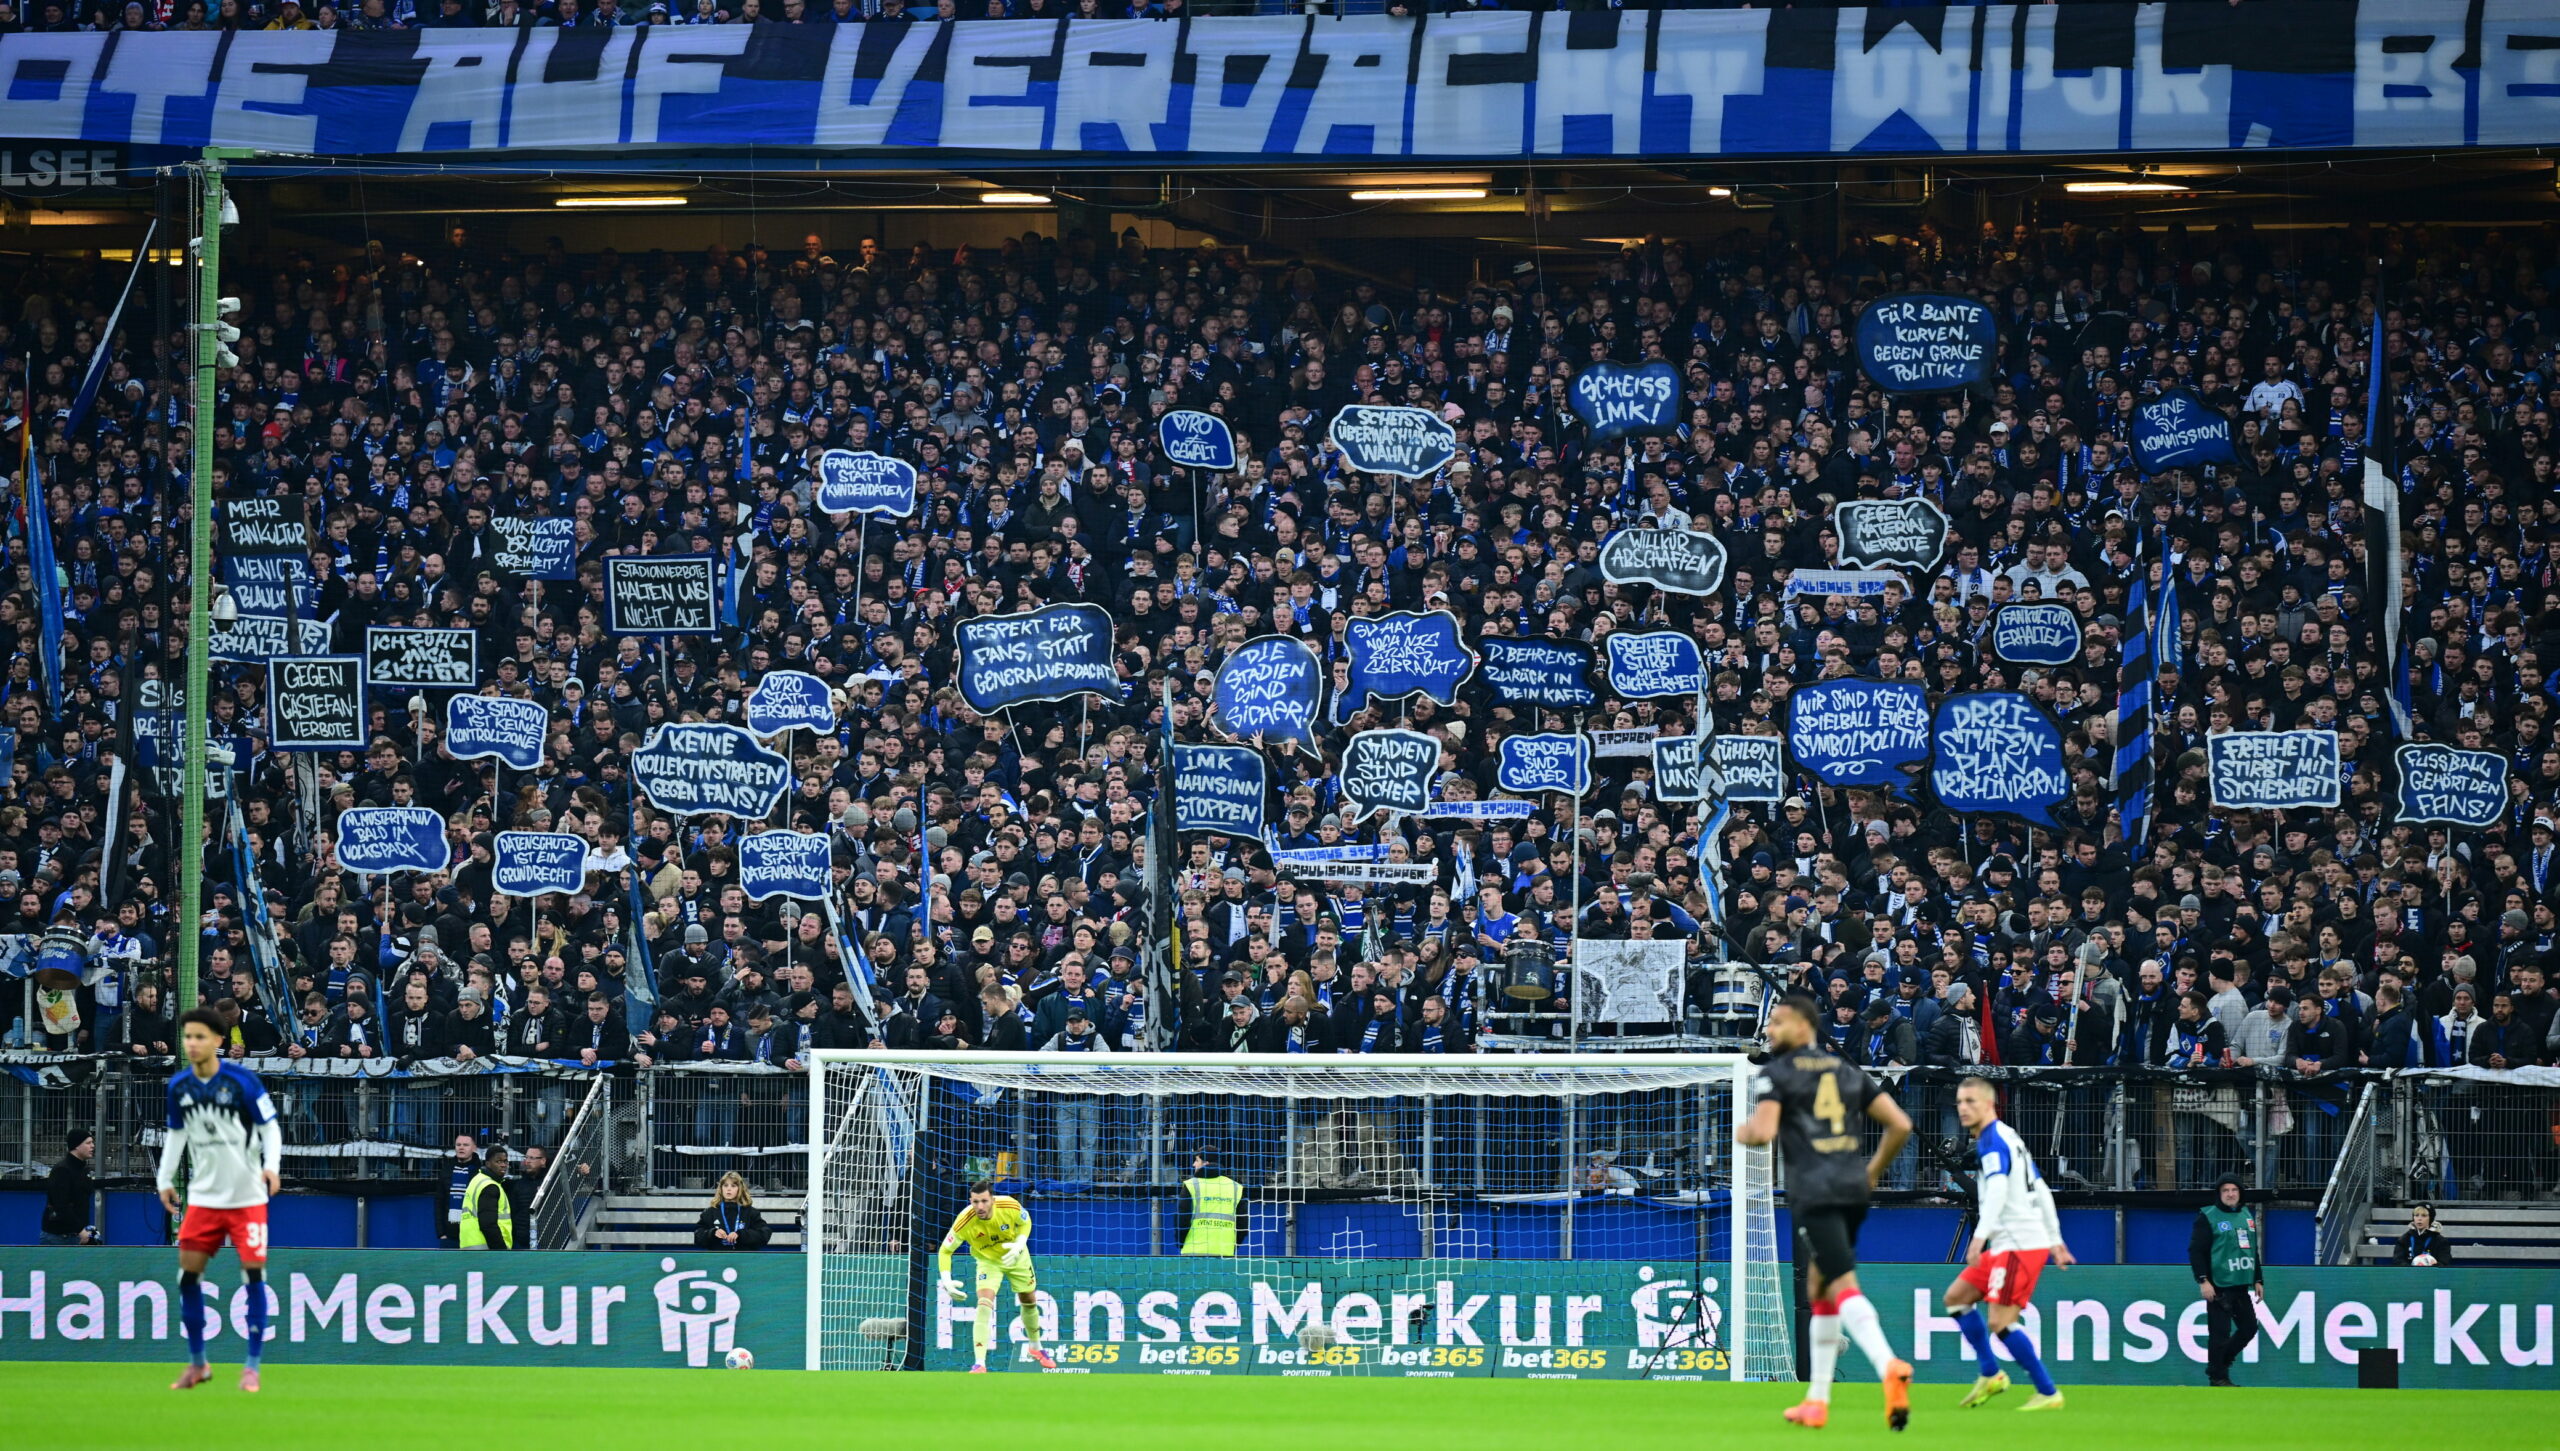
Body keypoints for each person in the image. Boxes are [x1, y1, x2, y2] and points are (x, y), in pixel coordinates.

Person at [1736, 994, 1915, 1431]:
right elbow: (1900, 1124)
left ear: (1803, 1026)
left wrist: (1744, 1131)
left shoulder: (1778, 1073)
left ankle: (1888, 1364)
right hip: (1850, 1185)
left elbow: (1762, 1132)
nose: (1770, 1030)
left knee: (1840, 1282)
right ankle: (1816, 1400)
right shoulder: (1845, 1069)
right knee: (1821, 1285)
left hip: (1814, 1189)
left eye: (1778, 1022)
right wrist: (1871, 1173)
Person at [158, 1007, 282, 1392]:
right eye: (188, 1037)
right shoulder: (179, 1086)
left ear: (218, 1040)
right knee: (188, 1279)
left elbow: (269, 1127)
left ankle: (252, 1367)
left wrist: (271, 1165)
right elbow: (176, 1135)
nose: (192, 1044)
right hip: (204, 1200)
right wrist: (164, 1177)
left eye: (199, 1037)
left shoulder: (242, 1081)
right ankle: (198, 1364)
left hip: (246, 1198)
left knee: (253, 1276)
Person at [1944, 1077, 2072, 1412]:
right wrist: (2056, 1239)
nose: (1963, 1107)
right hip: (2010, 1242)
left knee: (2001, 1322)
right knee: (1956, 1298)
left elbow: (1999, 1190)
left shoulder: (1992, 1140)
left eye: (1971, 1101)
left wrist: (1978, 1237)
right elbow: (2041, 1188)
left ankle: (2047, 1392)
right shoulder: (2007, 1136)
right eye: (1959, 1101)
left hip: (2018, 1242)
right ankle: (1990, 1373)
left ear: (1988, 1104)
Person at [938, 1179, 1057, 1373]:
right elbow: (945, 1251)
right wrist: (946, 1280)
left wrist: (1020, 1243)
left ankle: (1036, 1347)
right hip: (988, 1262)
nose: (980, 1206)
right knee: (984, 1304)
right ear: (970, 1201)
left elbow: (1025, 1222)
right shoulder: (964, 1221)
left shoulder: (1009, 1204)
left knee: (1028, 1300)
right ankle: (979, 1363)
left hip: (1015, 1256)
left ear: (992, 1199)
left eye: (984, 1201)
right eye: (975, 1202)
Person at [2189, 1174, 2264, 1386]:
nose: (2230, 1194)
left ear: (2240, 1193)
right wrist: (2203, 1281)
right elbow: (2196, 1251)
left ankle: (2220, 1363)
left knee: (2249, 1328)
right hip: (2218, 1284)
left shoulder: (2246, 1215)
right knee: (2219, 1334)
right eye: (2225, 1190)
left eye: (2234, 1190)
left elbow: (2252, 1250)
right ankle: (2218, 1377)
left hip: (2240, 1283)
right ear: (2219, 1194)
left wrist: (2258, 1279)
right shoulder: (2207, 1216)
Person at [1178, 1152, 1242, 1256]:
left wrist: (1180, 1242)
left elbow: (1182, 1220)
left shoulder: (1191, 1185)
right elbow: (1242, 1224)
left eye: (1197, 1160)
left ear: (1206, 1163)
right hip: (1225, 1251)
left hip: (1193, 1250)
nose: (1194, 1164)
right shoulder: (1236, 1187)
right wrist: (1234, 1246)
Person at [41, 1129, 97, 1245]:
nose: (92, 1146)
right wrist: (80, 1230)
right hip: (59, 1237)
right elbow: (61, 1205)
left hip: (76, 1234)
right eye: (88, 1143)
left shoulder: (83, 1169)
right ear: (76, 1146)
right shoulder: (62, 1170)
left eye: (92, 1142)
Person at [693, 1170, 772, 1250]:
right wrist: (712, 1233)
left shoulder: (750, 1212)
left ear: (739, 1189)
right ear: (721, 1189)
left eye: (733, 1186)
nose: (729, 1189)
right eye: (725, 1185)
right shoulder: (710, 1212)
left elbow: (764, 1234)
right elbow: (698, 1237)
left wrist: (741, 1235)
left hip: (744, 1259)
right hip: (717, 1259)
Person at [460, 1143, 515, 1250]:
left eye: (505, 1161)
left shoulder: (477, 1180)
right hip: (486, 1250)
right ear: (488, 1164)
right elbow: (488, 1224)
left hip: (470, 1246)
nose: (503, 1165)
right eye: (498, 1161)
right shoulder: (490, 1186)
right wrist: (501, 1250)